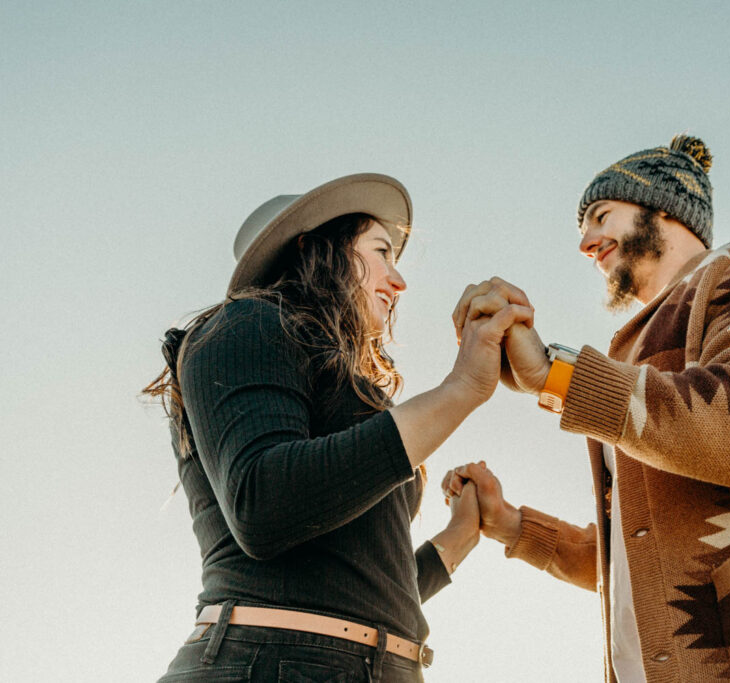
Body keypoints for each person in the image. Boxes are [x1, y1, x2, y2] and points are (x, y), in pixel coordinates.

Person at [444, 135, 730, 682]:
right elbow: (644, 554)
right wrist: (510, 525)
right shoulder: (636, 351)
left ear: (663, 208)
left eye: (601, 216)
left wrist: (557, 376)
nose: (587, 243)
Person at [144, 173, 532, 682]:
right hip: (268, 662)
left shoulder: (352, 388)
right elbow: (264, 504)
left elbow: (363, 588)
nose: (399, 281)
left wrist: (462, 534)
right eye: (381, 251)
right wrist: (461, 389)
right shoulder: (244, 324)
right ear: (315, 250)